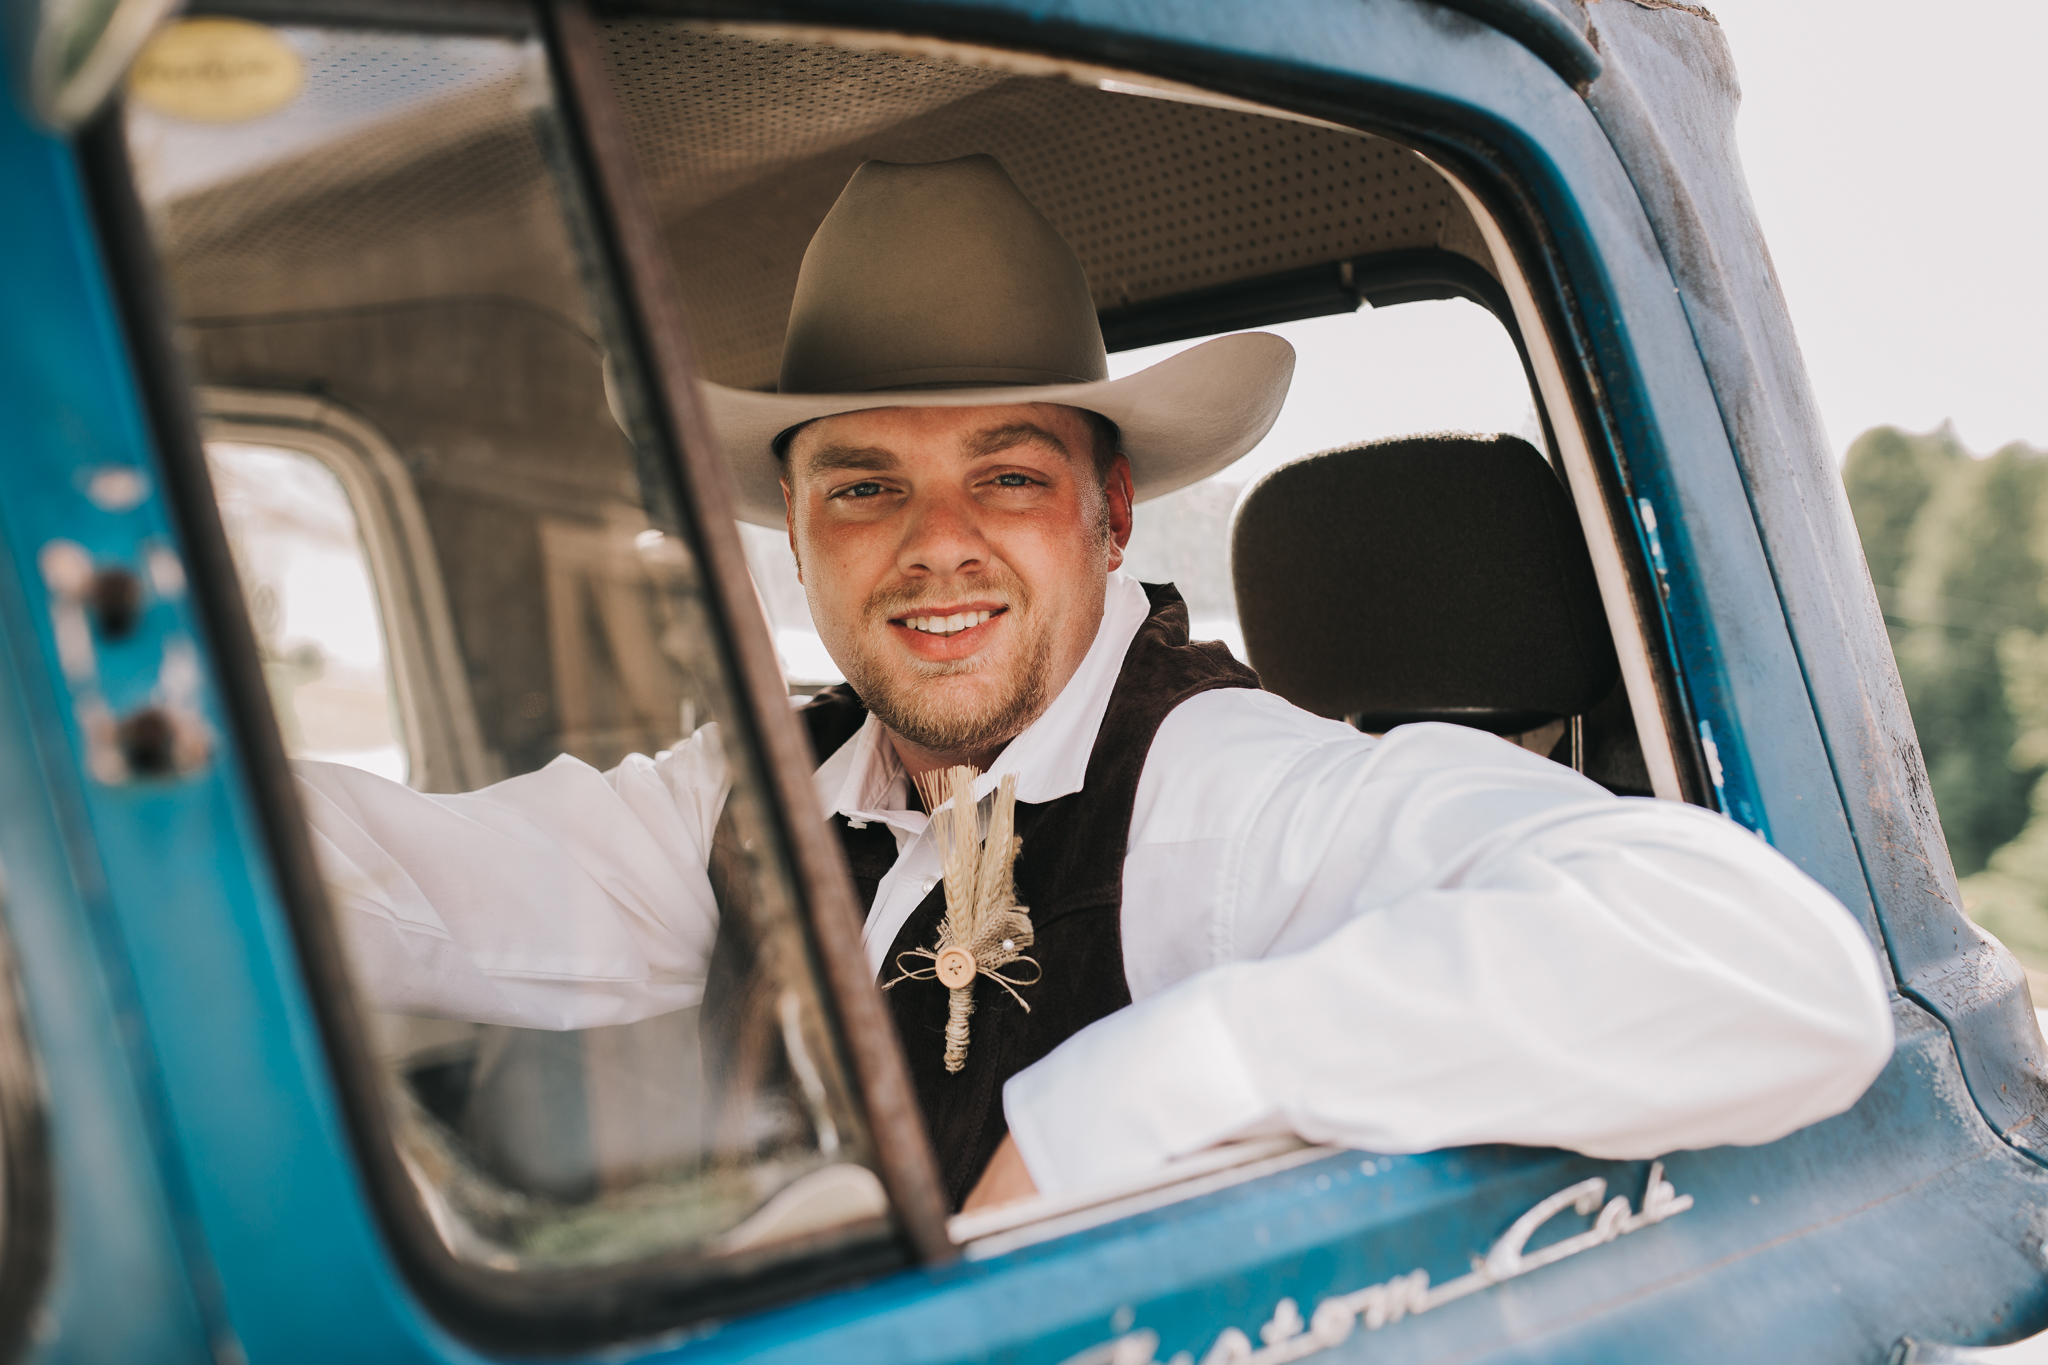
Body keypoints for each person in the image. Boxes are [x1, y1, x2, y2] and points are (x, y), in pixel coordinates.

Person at [297, 155, 1893, 1215]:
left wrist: (1128, 1105)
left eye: (1004, 476)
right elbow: (385, 886)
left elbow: (1772, 966)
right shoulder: (751, 791)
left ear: (1109, 515)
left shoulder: (1224, 792)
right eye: (862, 487)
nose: (935, 549)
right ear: (792, 531)